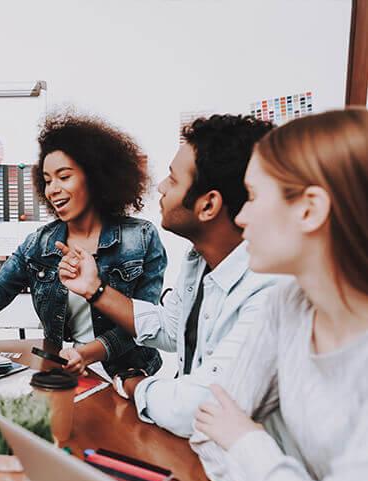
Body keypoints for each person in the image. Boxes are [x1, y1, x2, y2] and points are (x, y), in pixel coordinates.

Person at [191, 109, 368, 481]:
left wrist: (248, 442)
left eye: (250, 197)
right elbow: (206, 434)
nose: (241, 216)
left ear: (310, 209)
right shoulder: (287, 304)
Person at [0, 113, 165, 377]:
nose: (52, 189)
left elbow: (145, 324)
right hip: (63, 372)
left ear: (94, 176)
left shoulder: (140, 239)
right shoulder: (40, 244)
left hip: (131, 377)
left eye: (64, 176)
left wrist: (89, 353)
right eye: (47, 181)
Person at [57, 115, 276, 437]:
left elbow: (200, 406)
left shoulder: (269, 288)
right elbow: (170, 327)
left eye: (173, 180)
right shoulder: (200, 261)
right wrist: (95, 288)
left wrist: (136, 385)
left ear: (208, 205)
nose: (160, 187)